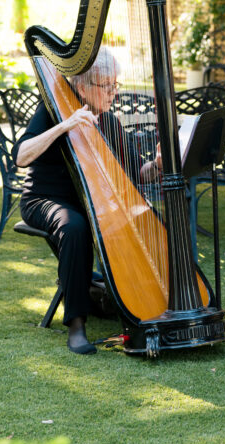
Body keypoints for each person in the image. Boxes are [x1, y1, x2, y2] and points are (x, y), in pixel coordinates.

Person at [15, 49, 160, 355]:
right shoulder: (52, 109)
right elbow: (21, 155)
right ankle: (76, 326)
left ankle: (142, 297)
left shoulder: (108, 121)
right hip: (45, 199)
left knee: (139, 215)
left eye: (115, 85)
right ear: (82, 87)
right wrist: (65, 125)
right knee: (75, 227)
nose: (113, 92)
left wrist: (158, 165)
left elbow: (139, 174)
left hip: (88, 202)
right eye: (106, 86)